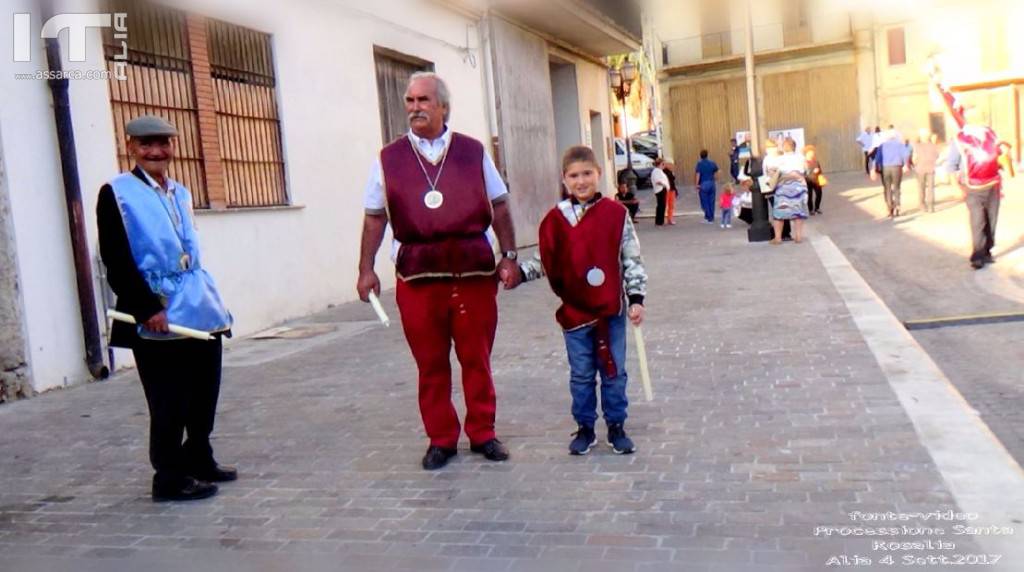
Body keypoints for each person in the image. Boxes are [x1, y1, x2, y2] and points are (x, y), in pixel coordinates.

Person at [356, 72, 518, 471]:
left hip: (473, 274)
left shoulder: (473, 151)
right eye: (410, 101)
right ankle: (441, 438)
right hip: (418, 277)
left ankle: (482, 432)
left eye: (423, 100)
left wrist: (509, 254)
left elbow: (499, 205)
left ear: (443, 106)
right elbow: (375, 217)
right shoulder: (388, 159)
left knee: (476, 358)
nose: (415, 108)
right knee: (430, 363)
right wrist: (366, 269)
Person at [96, 115, 236, 502]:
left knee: (205, 387)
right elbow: (116, 256)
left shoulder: (181, 192)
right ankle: (169, 477)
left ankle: (199, 456)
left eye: (163, 143)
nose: (156, 151)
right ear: (131, 148)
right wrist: (145, 309)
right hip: (155, 309)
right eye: (146, 144)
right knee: (168, 397)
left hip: (197, 303)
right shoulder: (116, 192)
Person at [518, 145, 647, 456]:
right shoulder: (555, 221)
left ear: (598, 174)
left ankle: (616, 424)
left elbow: (630, 257)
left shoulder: (617, 215)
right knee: (582, 373)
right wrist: (518, 273)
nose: (581, 181)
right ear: (565, 180)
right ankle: (585, 427)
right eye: (574, 176)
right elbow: (544, 259)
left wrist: (636, 297)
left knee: (613, 371)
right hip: (575, 312)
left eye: (587, 174)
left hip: (610, 310)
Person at [946, 108, 1004, 270]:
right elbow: (951, 165)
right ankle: (977, 254)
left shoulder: (991, 135)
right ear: (968, 119)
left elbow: (998, 156)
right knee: (978, 220)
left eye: (981, 116)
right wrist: (955, 186)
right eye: (975, 117)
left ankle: (987, 251)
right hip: (973, 187)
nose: (979, 119)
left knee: (991, 220)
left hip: (993, 184)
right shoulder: (960, 139)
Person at [766, 138, 809, 244]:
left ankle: (778, 238)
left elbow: (771, 171)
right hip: (799, 187)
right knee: (798, 212)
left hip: (784, 188)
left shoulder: (780, 159)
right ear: (794, 146)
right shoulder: (801, 158)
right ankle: (798, 236)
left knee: (779, 213)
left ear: (784, 147)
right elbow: (807, 171)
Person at [872, 128, 911, 218]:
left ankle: (890, 209)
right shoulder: (900, 145)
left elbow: (877, 159)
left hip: (886, 168)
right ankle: (897, 207)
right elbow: (906, 154)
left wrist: (873, 169)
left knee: (887, 188)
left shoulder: (882, 146)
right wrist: (906, 165)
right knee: (897, 187)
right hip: (897, 167)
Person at [912, 130, 941, 213]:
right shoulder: (933, 146)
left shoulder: (917, 146)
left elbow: (914, 158)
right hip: (931, 168)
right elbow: (937, 156)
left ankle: (922, 205)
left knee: (921, 187)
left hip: (920, 168)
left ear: (921, 137)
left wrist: (915, 163)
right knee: (931, 188)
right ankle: (931, 206)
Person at [694, 150, 719, 224]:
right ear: (707, 155)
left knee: (704, 201)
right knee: (711, 201)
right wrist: (715, 179)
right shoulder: (712, 163)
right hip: (711, 183)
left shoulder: (699, 164)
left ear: (700, 155)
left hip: (703, 183)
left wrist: (696, 184)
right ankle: (711, 216)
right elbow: (716, 173)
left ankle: (708, 217)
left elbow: (698, 174)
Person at [804, 145, 825, 215]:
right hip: (808, 180)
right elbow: (803, 173)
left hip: (816, 180)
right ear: (806, 153)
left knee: (819, 194)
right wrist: (812, 171)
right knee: (809, 196)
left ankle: (817, 208)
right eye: (810, 152)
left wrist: (819, 172)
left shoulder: (816, 161)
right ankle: (811, 210)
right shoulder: (804, 162)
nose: (812, 154)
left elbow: (820, 170)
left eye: (813, 152)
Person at [651, 158, 671, 226]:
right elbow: (657, 181)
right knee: (661, 205)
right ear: (660, 164)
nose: (664, 165)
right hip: (660, 189)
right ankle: (659, 221)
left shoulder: (659, 171)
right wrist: (664, 185)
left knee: (662, 205)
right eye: (663, 164)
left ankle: (660, 220)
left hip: (662, 189)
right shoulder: (656, 171)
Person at [664, 160, 679, 225]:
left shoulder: (670, 171)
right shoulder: (664, 171)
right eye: (671, 164)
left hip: (672, 189)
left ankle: (670, 219)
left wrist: (675, 190)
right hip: (667, 190)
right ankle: (666, 219)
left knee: (671, 205)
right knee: (666, 205)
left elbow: (673, 182)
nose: (672, 166)